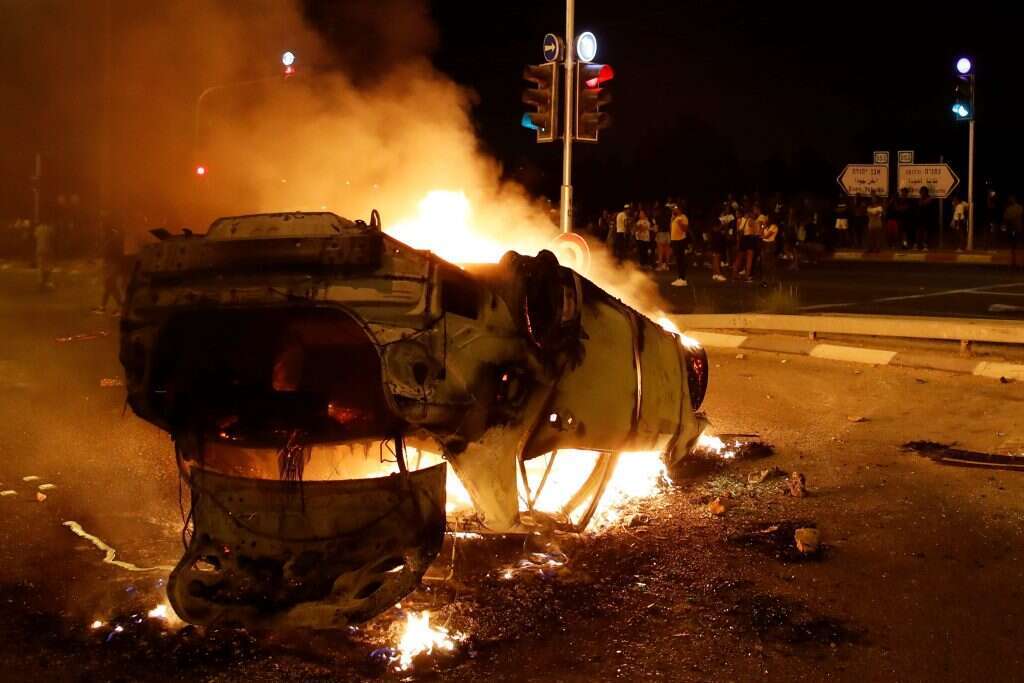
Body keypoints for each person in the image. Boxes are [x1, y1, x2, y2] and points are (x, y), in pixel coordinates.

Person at [96, 221, 125, 313]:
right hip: (109, 263)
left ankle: (118, 305)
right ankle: (103, 306)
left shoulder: (114, 237)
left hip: (113, 263)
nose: (101, 230)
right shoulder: (109, 236)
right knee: (109, 285)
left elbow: (115, 251)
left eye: (102, 228)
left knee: (109, 284)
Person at [670, 204, 690, 286]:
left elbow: (685, 229)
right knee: (678, 260)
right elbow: (672, 229)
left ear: (680, 209)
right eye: (674, 208)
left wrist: (680, 223)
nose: (674, 209)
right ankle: (680, 278)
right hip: (674, 240)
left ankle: (683, 279)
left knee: (681, 259)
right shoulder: (674, 217)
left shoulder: (683, 217)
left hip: (680, 240)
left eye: (676, 208)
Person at [34, 219, 55, 291]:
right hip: (47, 250)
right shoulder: (49, 229)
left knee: (40, 266)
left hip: (39, 249)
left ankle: (40, 282)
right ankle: (47, 281)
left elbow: (35, 238)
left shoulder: (37, 229)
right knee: (48, 265)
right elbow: (52, 239)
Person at [1004, 195, 1023, 268]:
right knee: (1016, 244)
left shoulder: (1008, 209)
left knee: (1012, 245)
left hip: (1012, 229)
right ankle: (1016, 261)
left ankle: (1014, 261)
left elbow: (1006, 218)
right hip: (1017, 228)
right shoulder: (1019, 208)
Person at [760, 216, 779, 286]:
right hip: (764, 244)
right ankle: (765, 279)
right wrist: (763, 227)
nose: (765, 219)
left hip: (770, 244)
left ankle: (772, 279)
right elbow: (761, 233)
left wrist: (762, 235)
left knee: (770, 262)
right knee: (764, 262)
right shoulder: (765, 226)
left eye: (767, 218)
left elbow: (767, 236)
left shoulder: (774, 226)